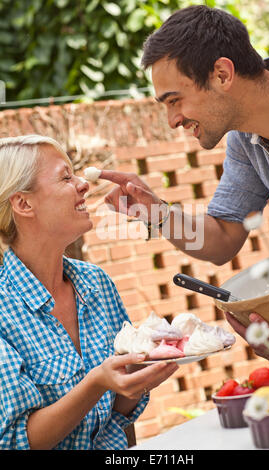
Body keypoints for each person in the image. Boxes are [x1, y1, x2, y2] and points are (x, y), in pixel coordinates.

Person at [96, 5, 269, 367]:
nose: (173, 120)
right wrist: (155, 212)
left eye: (175, 100)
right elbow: (222, 237)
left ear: (222, 74)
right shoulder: (245, 143)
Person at [0, 135, 178, 450]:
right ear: (23, 203)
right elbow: (15, 441)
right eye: (66, 177)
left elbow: (119, 420)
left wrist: (135, 378)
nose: (83, 184)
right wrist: (96, 383)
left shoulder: (97, 284)